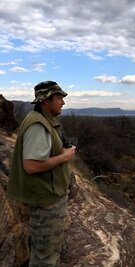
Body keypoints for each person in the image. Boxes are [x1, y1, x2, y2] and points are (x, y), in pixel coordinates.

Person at [6, 80, 77, 266]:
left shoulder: (44, 120)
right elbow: (31, 166)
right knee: (45, 258)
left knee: (46, 251)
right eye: (59, 98)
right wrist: (65, 156)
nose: (63, 102)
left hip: (48, 198)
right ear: (46, 100)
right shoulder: (38, 125)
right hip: (46, 202)